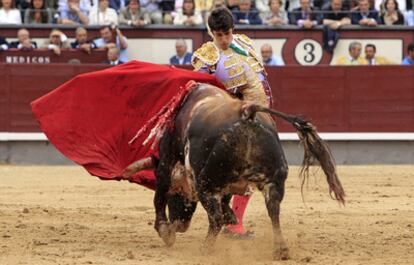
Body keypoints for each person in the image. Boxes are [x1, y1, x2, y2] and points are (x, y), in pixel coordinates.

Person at [192, 7, 272, 238]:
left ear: (233, 30)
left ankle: (232, 223)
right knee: (239, 172)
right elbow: (201, 90)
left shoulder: (245, 43)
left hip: (258, 115)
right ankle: (230, 223)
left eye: (227, 33)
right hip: (227, 121)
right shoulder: (206, 55)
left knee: (251, 171)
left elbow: (259, 78)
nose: (224, 40)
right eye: (219, 35)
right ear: (211, 33)